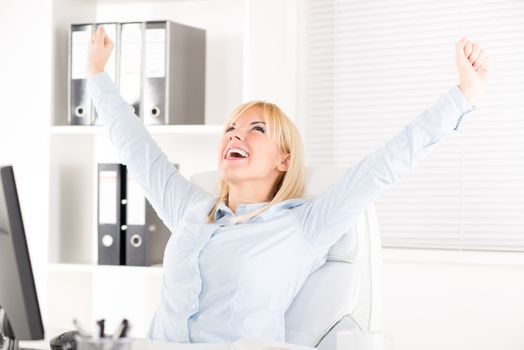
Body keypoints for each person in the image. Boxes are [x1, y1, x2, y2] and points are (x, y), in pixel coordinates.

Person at [86, 26, 490, 343]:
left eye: (255, 129)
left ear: (285, 160)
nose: (234, 136)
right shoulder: (189, 207)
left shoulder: (304, 225)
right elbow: (137, 150)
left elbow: (385, 164)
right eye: (230, 128)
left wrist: (463, 95)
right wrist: (97, 75)